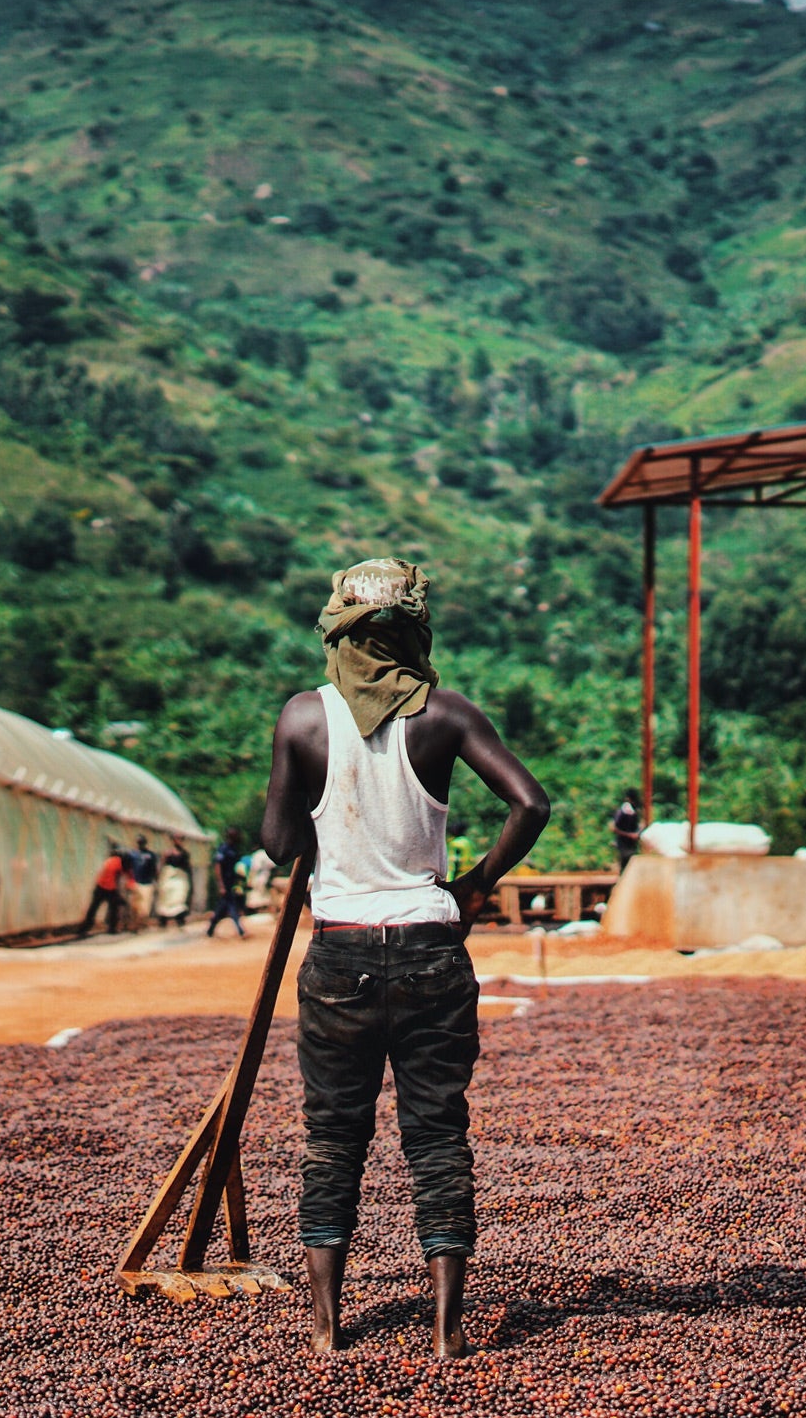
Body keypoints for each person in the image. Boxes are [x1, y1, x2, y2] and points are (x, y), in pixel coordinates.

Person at [260, 557, 549, 1359]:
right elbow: (532, 804)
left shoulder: (304, 719)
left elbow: (281, 844)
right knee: (435, 1135)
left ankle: (325, 1328)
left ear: (338, 631)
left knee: (334, 1137)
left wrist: (313, 806)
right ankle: (448, 1328)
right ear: (414, 633)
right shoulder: (446, 714)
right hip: (430, 945)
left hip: (341, 950)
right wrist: (473, 885)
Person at [205, 828, 247, 938]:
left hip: (231, 882)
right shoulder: (223, 849)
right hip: (225, 883)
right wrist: (221, 885)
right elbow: (217, 867)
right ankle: (240, 930)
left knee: (222, 908)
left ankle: (210, 929)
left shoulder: (234, 849)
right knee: (231, 906)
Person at [79, 845, 129, 936]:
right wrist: (120, 894)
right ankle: (112, 928)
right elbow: (119, 878)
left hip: (100, 886)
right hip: (109, 888)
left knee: (93, 907)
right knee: (114, 907)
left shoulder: (108, 860)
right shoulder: (118, 862)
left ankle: (84, 928)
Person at [156, 838, 192, 927]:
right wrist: (159, 876)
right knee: (166, 899)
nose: (178, 841)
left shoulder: (185, 854)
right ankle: (163, 920)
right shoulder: (167, 853)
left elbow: (187, 867)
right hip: (168, 877)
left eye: (180, 840)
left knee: (179, 898)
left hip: (180, 878)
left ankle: (179, 919)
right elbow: (162, 865)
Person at [125, 833, 159, 929]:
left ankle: (141, 924)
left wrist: (156, 880)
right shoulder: (132, 854)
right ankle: (134, 924)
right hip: (135, 882)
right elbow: (127, 868)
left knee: (144, 908)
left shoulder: (150, 855)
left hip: (147, 883)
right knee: (134, 906)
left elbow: (154, 869)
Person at [610, 787, 642, 869]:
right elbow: (613, 828)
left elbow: (638, 825)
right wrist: (629, 835)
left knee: (631, 866)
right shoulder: (622, 811)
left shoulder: (635, 811)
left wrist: (637, 833)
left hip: (631, 844)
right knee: (625, 866)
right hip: (624, 844)